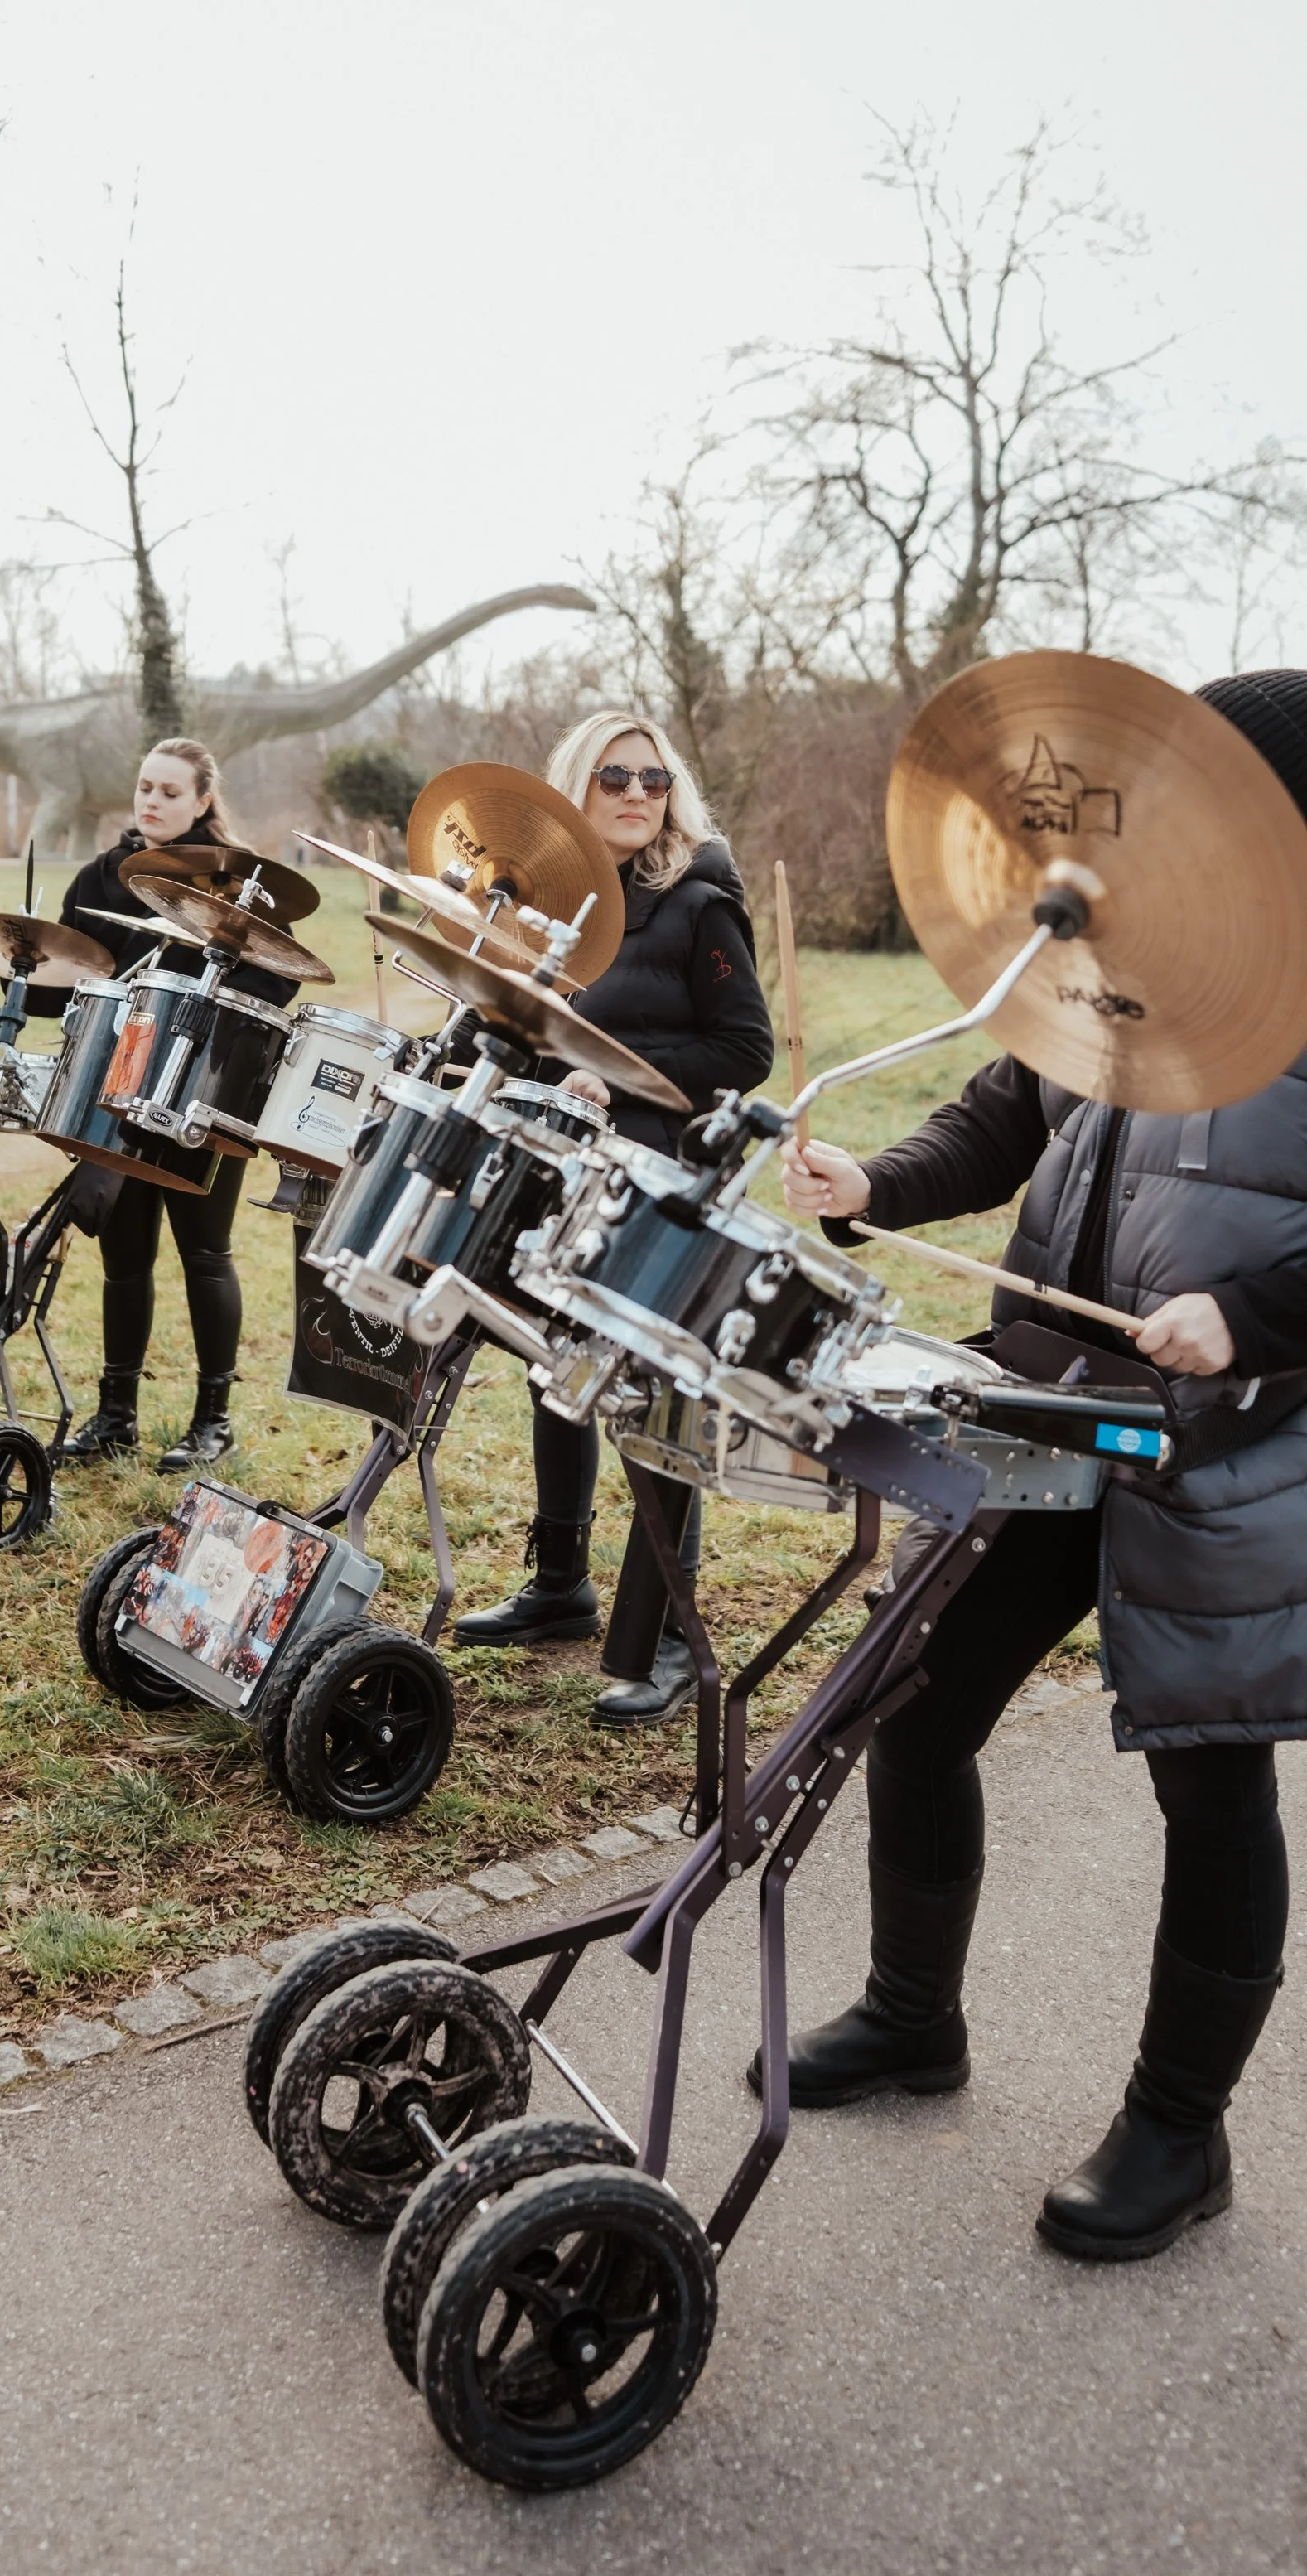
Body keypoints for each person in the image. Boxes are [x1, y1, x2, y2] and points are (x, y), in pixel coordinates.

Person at [769, 665, 1307, 2264]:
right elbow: (1009, 1115)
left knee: (1212, 1785)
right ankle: (912, 2016)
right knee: (919, 1704)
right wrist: (872, 1176)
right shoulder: (1125, 946)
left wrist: (1255, 1312)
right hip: (1045, 1393)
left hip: (1236, 1436)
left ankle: (1177, 2132)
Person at [453, 711, 775, 1728]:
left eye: (652, 777)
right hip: (562, 1163)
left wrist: (618, 1085)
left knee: (644, 1400)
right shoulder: (545, 906)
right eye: (611, 778)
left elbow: (743, 1052)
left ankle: (672, 1634)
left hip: (665, 1175)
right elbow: (510, 1021)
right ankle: (560, 1585)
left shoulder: (699, 901)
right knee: (558, 1370)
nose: (636, 793)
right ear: (572, 793)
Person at [45, 737, 298, 1472]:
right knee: (125, 1260)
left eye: (168, 791)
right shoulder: (102, 875)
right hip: (119, 1082)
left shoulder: (242, 882)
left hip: (206, 1086)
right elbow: (76, 971)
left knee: (205, 1254)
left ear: (202, 802)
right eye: (144, 787)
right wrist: (23, 967)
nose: (150, 802)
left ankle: (212, 1422)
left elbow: (282, 983)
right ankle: (115, 1415)